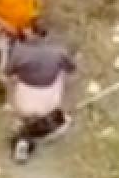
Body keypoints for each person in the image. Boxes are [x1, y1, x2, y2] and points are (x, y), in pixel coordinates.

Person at [4, 28, 77, 164]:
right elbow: (72, 69)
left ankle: (22, 129)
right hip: (50, 103)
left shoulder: (18, 52)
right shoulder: (58, 51)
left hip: (23, 104)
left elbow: (7, 73)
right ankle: (52, 117)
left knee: (12, 77)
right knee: (62, 71)